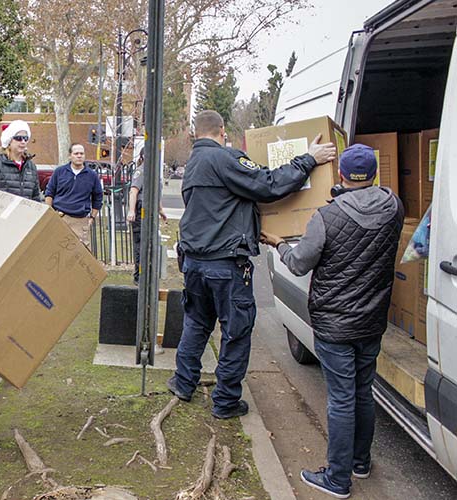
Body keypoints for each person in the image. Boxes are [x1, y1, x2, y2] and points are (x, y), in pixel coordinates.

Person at [167, 110, 336, 420]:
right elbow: (268, 184)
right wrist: (309, 160)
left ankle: (183, 382)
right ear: (220, 131)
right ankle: (225, 401)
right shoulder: (225, 159)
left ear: (195, 133)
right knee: (236, 332)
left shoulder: (192, 165)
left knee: (197, 323)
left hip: (194, 262)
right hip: (225, 264)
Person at [261, 144, 404, 499]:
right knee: (362, 392)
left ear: (340, 175)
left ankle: (337, 479)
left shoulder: (327, 217)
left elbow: (298, 264)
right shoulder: (393, 207)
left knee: (341, 400)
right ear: (373, 175)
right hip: (372, 320)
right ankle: (360, 461)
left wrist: (279, 243)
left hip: (335, 323)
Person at [44, 143, 103, 247]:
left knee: (79, 256)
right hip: (60, 218)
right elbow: (49, 193)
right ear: (70, 156)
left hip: (80, 221)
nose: (79, 156)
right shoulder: (60, 172)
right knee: (56, 252)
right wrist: (50, 214)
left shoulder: (92, 175)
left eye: (82, 153)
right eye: (76, 153)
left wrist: (92, 218)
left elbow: (98, 198)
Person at [126, 152, 167, 285]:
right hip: (141, 211)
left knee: (150, 244)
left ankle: (148, 274)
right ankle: (139, 276)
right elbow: (133, 191)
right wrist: (131, 211)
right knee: (140, 244)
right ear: (143, 157)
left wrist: (161, 210)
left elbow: (156, 194)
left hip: (151, 211)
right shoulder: (141, 171)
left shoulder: (154, 173)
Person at [0, 119, 41, 201]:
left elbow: (35, 196)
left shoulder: (31, 166)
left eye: (25, 138)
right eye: (18, 138)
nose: (23, 142)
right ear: (9, 141)